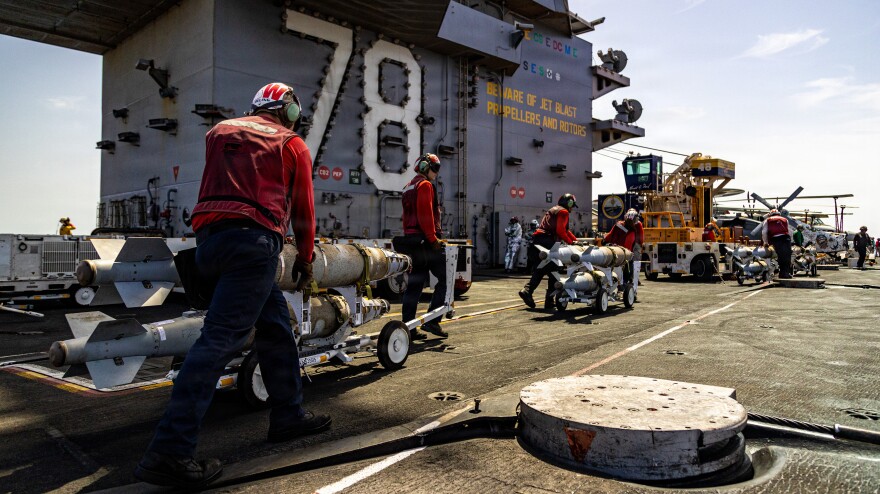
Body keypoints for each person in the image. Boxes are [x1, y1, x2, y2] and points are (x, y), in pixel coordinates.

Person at [134, 83, 330, 489]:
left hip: (208, 247)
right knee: (217, 342)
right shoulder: (293, 145)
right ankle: (169, 451)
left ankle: (288, 415)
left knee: (276, 328)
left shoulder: (219, 132)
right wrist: (306, 260)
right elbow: (304, 213)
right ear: (288, 110)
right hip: (252, 247)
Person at [395, 153, 448, 340]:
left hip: (412, 241)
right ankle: (433, 320)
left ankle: (408, 328)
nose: (436, 172)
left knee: (415, 285)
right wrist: (433, 240)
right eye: (435, 167)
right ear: (426, 167)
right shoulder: (425, 185)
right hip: (426, 242)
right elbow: (426, 215)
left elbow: (407, 218)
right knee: (446, 279)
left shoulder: (408, 186)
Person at [519, 193, 578, 309]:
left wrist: (576, 241)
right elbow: (561, 232)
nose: (572, 208)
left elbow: (566, 231)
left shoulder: (553, 210)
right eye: (572, 205)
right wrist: (572, 243)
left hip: (536, 242)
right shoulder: (564, 212)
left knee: (541, 268)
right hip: (548, 241)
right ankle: (548, 300)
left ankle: (528, 291)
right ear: (569, 203)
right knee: (555, 270)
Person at [603, 208, 643, 290]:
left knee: (617, 270)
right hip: (626, 255)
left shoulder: (619, 225)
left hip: (617, 253)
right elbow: (640, 240)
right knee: (628, 271)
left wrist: (604, 240)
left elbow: (610, 236)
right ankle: (627, 284)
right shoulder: (635, 228)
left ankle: (621, 284)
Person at [762, 209, 792, 279]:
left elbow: (764, 232)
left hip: (775, 239)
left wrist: (765, 242)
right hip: (785, 239)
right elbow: (789, 232)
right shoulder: (785, 219)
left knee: (777, 256)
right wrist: (791, 241)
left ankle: (778, 272)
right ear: (779, 214)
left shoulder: (767, 220)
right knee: (786, 257)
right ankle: (785, 273)